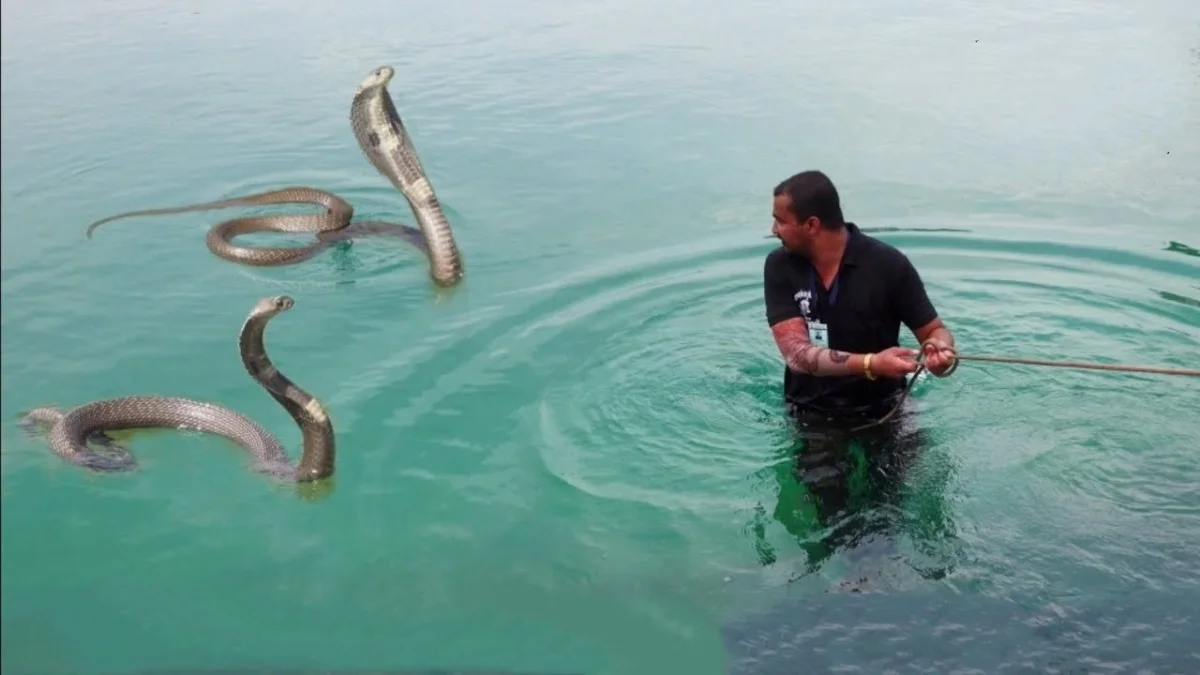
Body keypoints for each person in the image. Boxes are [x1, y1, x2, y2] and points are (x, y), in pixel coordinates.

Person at [758, 169, 959, 582]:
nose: (774, 229)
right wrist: (871, 363)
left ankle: (882, 579)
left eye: (780, 220)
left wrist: (942, 354)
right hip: (813, 414)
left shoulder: (888, 264)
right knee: (834, 514)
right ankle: (850, 583)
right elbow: (797, 355)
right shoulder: (780, 266)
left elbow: (935, 331)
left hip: (887, 409)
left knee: (888, 507)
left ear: (811, 225)